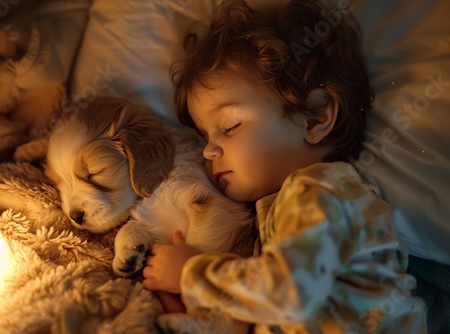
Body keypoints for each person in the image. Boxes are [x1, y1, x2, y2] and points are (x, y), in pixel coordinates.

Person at [142, 0, 428, 332]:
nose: (208, 151)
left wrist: (192, 272)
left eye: (230, 126)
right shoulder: (274, 219)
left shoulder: (323, 189)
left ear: (315, 118)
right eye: (204, 135)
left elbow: (291, 293)